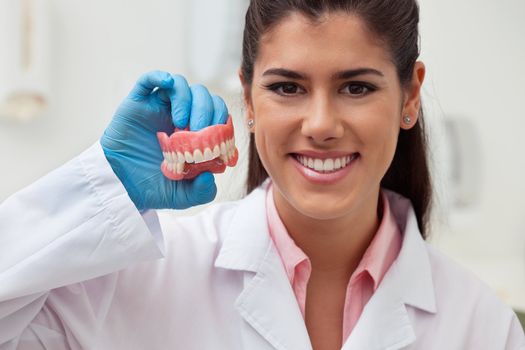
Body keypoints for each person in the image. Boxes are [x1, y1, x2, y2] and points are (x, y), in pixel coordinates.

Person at [0, 0, 524, 349]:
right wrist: (102, 185)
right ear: (247, 97)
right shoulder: (140, 281)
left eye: (357, 87)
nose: (320, 125)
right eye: (288, 88)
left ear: (410, 95)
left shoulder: (480, 327)